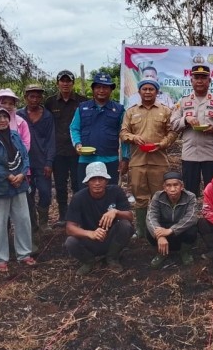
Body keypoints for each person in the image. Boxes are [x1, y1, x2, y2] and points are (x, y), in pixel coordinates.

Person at [0, 105, 36, 272]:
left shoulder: (15, 136)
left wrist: (22, 174)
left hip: (19, 184)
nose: (2, 120)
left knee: (23, 219)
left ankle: (24, 254)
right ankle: (0, 258)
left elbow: (25, 156)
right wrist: (8, 176)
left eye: (5, 117)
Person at [120, 77, 179, 238]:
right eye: (144, 89)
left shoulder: (165, 110)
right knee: (140, 198)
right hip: (137, 161)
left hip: (158, 161)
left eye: (151, 89)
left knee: (160, 196)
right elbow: (123, 133)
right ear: (139, 91)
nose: (147, 92)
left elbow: (173, 132)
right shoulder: (131, 111)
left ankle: (159, 229)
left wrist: (163, 143)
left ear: (156, 92)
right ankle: (141, 230)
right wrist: (133, 138)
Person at [170, 64, 213, 197]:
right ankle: (191, 217)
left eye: (203, 78)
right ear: (191, 81)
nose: (199, 81)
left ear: (209, 81)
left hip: (211, 153)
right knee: (189, 193)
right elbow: (173, 124)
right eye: (196, 77)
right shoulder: (183, 101)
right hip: (190, 153)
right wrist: (186, 119)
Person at [64, 162, 135, 275]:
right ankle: (89, 261)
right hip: (90, 240)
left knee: (125, 225)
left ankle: (112, 257)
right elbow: (69, 228)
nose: (97, 183)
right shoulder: (78, 198)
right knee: (70, 242)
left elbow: (130, 216)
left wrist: (115, 212)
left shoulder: (116, 191)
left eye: (101, 179)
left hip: (111, 237)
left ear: (106, 180)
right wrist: (90, 233)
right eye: (93, 179)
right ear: (87, 182)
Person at [70, 71, 129, 187]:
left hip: (110, 159)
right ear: (93, 89)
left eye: (105, 87)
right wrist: (77, 144)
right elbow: (74, 128)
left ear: (111, 90)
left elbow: (124, 135)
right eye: (98, 87)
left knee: (110, 192)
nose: (101, 90)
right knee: (84, 192)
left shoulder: (119, 110)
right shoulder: (82, 108)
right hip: (86, 160)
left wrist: (125, 158)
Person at [45, 70, 88, 226]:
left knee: (78, 184)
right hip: (58, 151)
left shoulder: (83, 102)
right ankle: (63, 216)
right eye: (62, 81)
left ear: (73, 83)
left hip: (77, 151)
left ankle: (78, 215)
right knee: (61, 185)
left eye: (68, 81)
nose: (65, 84)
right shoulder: (50, 102)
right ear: (57, 83)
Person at [17, 84, 55, 233]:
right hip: (24, 163)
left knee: (45, 192)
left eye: (38, 96)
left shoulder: (47, 116)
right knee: (28, 195)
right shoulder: (19, 116)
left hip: (42, 162)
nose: (35, 99)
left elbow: (51, 140)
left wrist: (49, 162)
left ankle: (44, 222)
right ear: (25, 97)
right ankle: (32, 224)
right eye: (31, 96)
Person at [146, 171, 198, 268]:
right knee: (149, 231)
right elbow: (150, 216)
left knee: (192, 230)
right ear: (164, 187)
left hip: (179, 230)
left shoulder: (190, 197)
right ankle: (162, 253)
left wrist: (171, 230)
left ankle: (184, 252)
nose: (172, 189)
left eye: (176, 185)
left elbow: (191, 217)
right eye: (168, 185)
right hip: (163, 229)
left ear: (182, 186)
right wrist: (159, 236)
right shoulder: (157, 196)